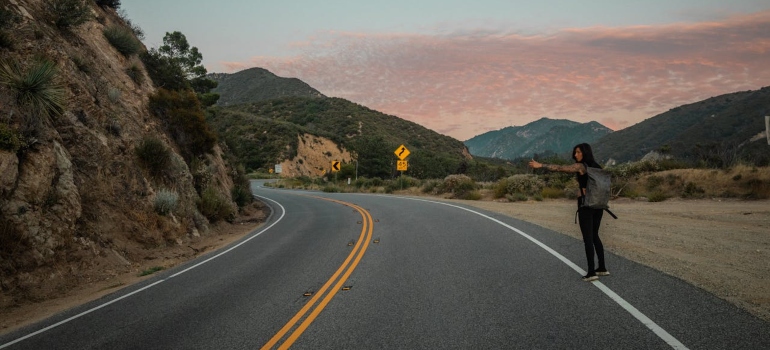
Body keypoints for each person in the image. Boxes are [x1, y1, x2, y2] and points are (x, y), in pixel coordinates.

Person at [528, 143, 609, 282]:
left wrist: (541, 165)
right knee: (595, 236)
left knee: (588, 238)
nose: (575, 155)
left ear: (585, 153)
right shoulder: (597, 167)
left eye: (578, 152)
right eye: (575, 152)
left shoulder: (581, 166)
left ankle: (591, 272)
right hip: (599, 205)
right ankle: (602, 268)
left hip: (586, 205)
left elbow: (561, 168)